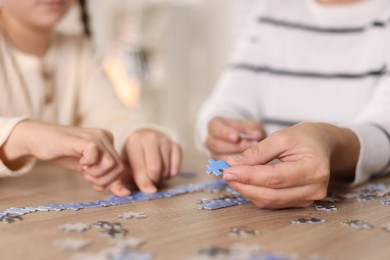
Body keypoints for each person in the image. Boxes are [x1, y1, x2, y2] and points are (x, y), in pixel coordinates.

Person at [197, 0, 390, 209]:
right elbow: (226, 103)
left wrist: (333, 143)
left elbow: (383, 129)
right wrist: (224, 130)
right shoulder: (271, 10)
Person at [0, 0, 182, 197]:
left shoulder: (78, 49)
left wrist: (136, 135)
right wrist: (25, 135)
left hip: (57, 208)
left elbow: (108, 113)